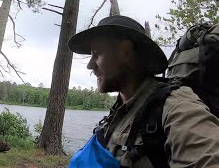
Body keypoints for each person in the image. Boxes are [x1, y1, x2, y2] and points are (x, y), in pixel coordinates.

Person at [68, 15, 219, 167]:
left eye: (97, 53)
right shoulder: (121, 110)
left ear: (125, 52)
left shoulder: (176, 106)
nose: (90, 65)